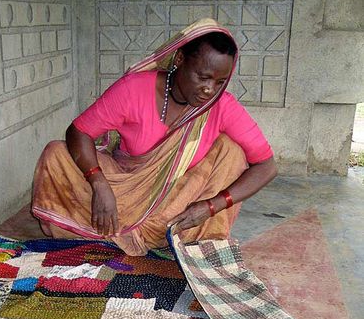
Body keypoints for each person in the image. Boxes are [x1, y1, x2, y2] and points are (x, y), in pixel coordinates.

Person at [32, 18, 277, 256]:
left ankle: (145, 234)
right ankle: (137, 232)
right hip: (124, 189)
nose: (209, 89)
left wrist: (211, 206)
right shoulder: (134, 88)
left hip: (178, 205)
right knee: (56, 153)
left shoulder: (221, 105)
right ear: (179, 59)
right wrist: (98, 183)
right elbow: (79, 131)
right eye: (203, 77)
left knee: (231, 151)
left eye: (220, 82)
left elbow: (266, 166)